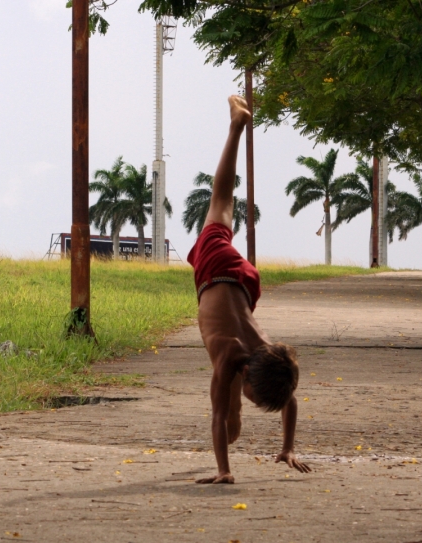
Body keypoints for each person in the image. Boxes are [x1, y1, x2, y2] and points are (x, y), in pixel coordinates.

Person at [187, 95, 311, 484]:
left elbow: (288, 399)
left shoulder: (272, 360)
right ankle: (236, 127)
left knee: (233, 416)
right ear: (248, 379)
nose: (260, 404)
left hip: (245, 280)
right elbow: (217, 416)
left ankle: (237, 126)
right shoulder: (228, 356)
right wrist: (223, 471)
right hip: (217, 269)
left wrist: (288, 447)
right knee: (220, 200)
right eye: (255, 399)